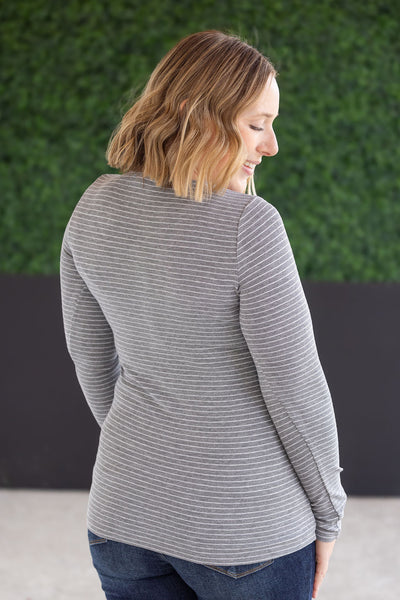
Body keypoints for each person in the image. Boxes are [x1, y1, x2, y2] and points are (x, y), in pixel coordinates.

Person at [60, 30, 347, 600]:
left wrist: (150, 458)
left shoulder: (94, 205)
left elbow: (91, 361)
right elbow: (295, 388)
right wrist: (329, 513)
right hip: (245, 531)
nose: (271, 146)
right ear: (197, 114)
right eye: (257, 124)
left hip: (123, 515)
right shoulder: (250, 227)